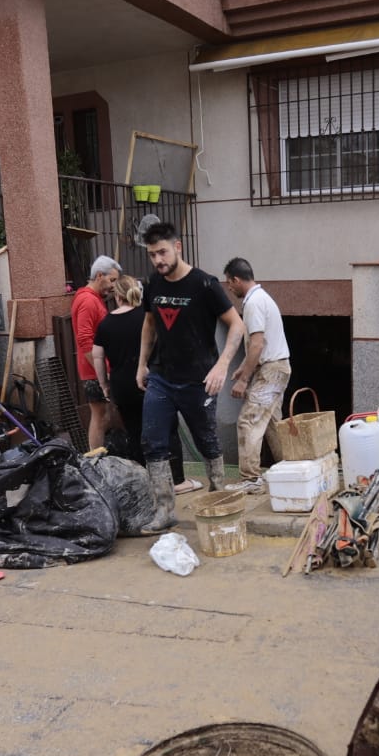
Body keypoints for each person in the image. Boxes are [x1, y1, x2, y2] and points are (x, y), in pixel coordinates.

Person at [135, 221, 244, 531]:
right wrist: (142, 365)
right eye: (152, 254)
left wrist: (221, 365)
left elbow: (237, 326)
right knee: (153, 442)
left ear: (178, 247)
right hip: (161, 378)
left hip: (199, 381)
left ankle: (218, 500)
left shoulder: (204, 284)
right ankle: (165, 510)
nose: (158, 260)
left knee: (207, 441)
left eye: (163, 252)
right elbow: (149, 325)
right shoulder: (153, 284)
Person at [90, 276, 201, 495]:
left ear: (117, 296)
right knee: (168, 429)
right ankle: (177, 481)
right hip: (152, 382)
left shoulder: (106, 323)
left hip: (122, 386)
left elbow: (97, 356)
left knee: (135, 432)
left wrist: (104, 385)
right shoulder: (147, 317)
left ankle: (143, 482)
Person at [221, 258, 291, 495]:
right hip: (277, 367)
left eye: (229, 284)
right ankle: (289, 470)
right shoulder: (263, 298)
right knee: (272, 423)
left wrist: (243, 380)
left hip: (271, 369)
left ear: (236, 280)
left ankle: (251, 478)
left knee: (248, 421)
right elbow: (260, 344)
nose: (229, 289)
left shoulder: (253, 303)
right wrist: (244, 366)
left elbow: (258, 344)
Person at [72, 255, 121, 451]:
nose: (113, 286)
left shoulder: (92, 299)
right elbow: (85, 340)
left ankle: (97, 459)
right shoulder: (87, 301)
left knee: (103, 416)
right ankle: (95, 461)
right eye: (112, 280)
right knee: (100, 417)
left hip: (97, 369)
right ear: (100, 275)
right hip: (95, 371)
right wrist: (103, 372)